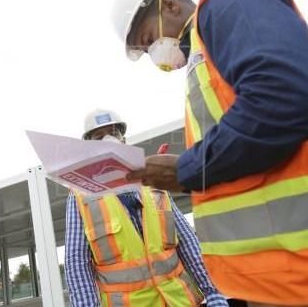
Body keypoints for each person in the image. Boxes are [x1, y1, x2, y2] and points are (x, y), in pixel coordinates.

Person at [113, 0, 308, 305]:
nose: (156, 55)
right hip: (286, 280)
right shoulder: (203, 64)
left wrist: (188, 168)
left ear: (169, 4)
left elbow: (288, 97)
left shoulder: (226, 5)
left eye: (149, 39)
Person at [65, 108, 228, 307]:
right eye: (99, 137)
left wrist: (213, 293)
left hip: (179, 300)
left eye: (114, 133)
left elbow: (187, 241)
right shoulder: (80, 195)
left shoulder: (152, 180)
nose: (109, 140)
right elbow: (77, 262)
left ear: (123, 139)